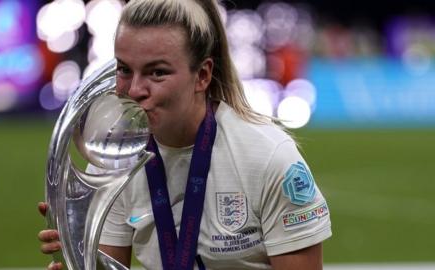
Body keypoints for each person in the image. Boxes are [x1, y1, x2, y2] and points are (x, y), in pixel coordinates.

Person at [38, 0, 332, 269]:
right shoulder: (113, 161)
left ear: (202, 75)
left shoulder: (268, 158)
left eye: (157, 73)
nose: (135, 89)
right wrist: (81, 257)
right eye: (125, 70)